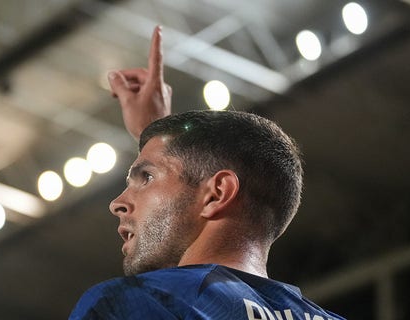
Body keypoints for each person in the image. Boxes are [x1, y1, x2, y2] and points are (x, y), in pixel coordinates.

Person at [69, 26, 344, 320]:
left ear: (217, 193)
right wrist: (160, 138)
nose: (117, 203)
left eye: (146, 178)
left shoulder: (130, 304)